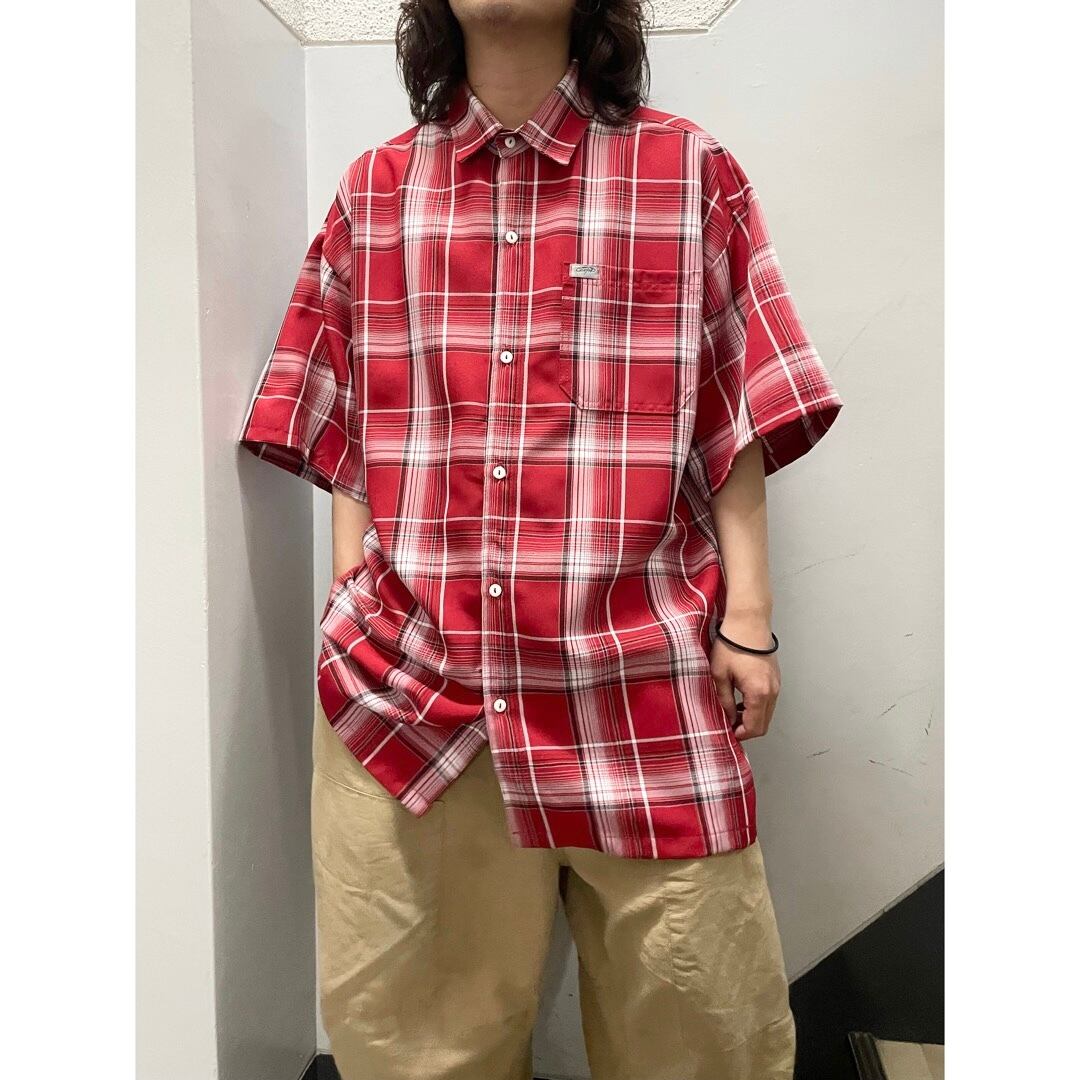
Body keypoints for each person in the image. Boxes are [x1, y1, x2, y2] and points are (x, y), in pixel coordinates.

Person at [238, 1, 843, 1077]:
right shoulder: (377, 192)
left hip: (644, 686)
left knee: (702, 1045)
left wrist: (748, 622)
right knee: (422, 1055)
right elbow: (344, 430)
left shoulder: (689, 174)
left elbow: (737, 411)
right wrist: (348, 606)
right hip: (421, 697)